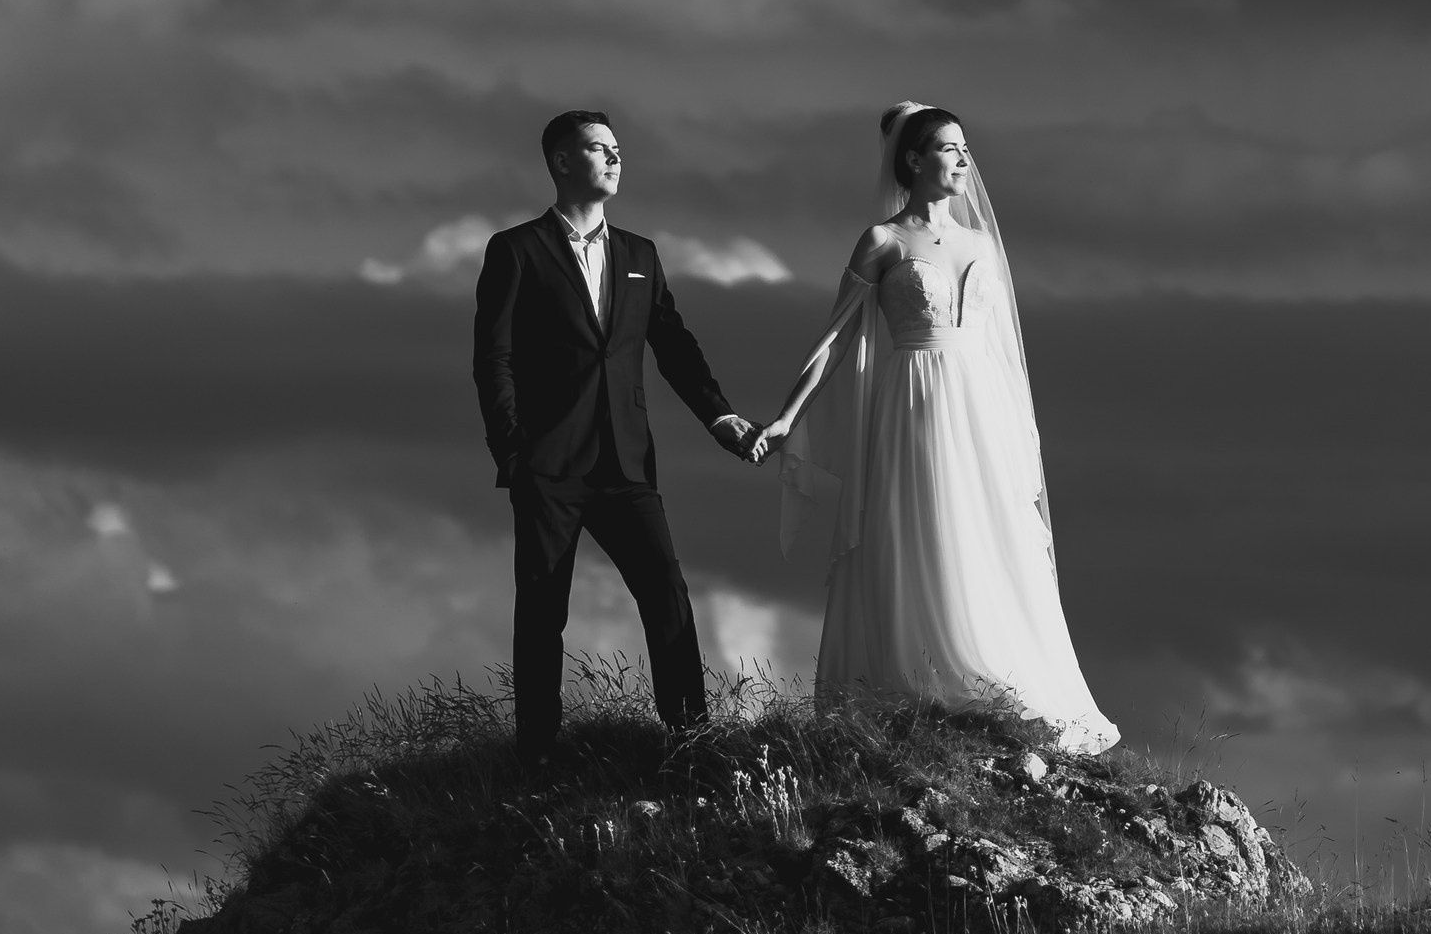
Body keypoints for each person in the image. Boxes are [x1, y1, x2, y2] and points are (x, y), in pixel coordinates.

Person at [750, 102, 1117, 754]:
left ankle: (1000, 685)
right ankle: (916, 687)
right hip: (913, 401)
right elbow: (835, 338)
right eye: (949, 147)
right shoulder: (882, 241)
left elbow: (1004, 350)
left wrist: (1018, 435)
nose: (963, 160)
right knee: (919, 527)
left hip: (979, 407)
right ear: (914, 159)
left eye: (966, 148)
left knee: (987, 532)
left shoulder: (982, 246)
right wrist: (785, 416)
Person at [472, 110, 757, 760]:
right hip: (549, 463)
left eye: (619, 148)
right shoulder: (515, 250)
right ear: (562, 161)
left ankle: (691, 735)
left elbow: (675, 347)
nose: (615, 157)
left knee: (667, 592)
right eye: (599, 148)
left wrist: (720, 415)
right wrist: (513, 450)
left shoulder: (640, 255)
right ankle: (537, 753)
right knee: (543, 611)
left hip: (627, 463)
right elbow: (494, 358)